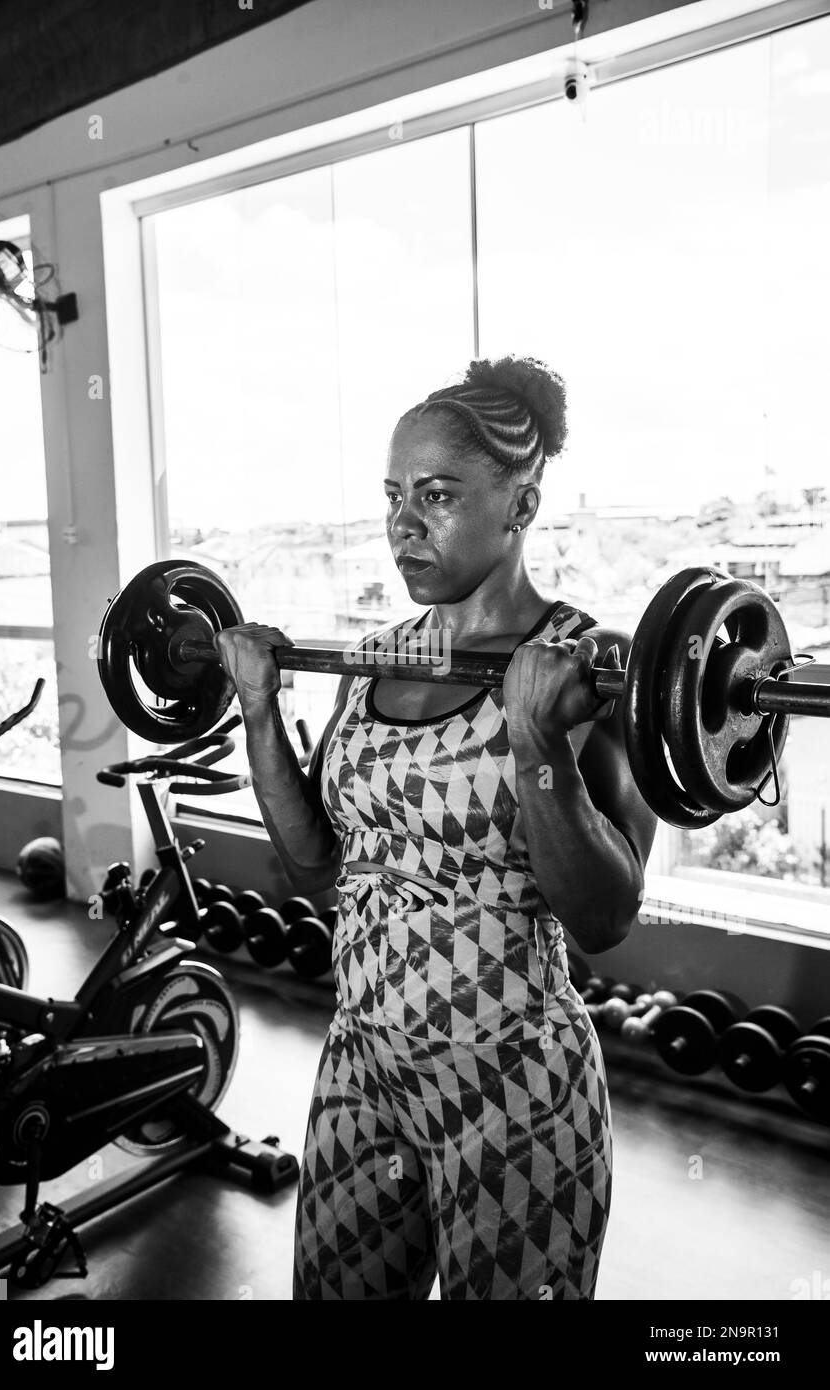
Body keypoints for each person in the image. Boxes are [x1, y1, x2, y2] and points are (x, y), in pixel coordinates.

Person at [215, 355, 657, 1300]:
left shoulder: (593, 667)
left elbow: (604, 918)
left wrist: (537, 735)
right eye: (391, 496)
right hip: (362, 1056)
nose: (401, 526)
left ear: (522, 503)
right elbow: (315, 867)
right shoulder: (374, 658)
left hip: (513, 1085)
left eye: (437, 494)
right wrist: (258, 712)